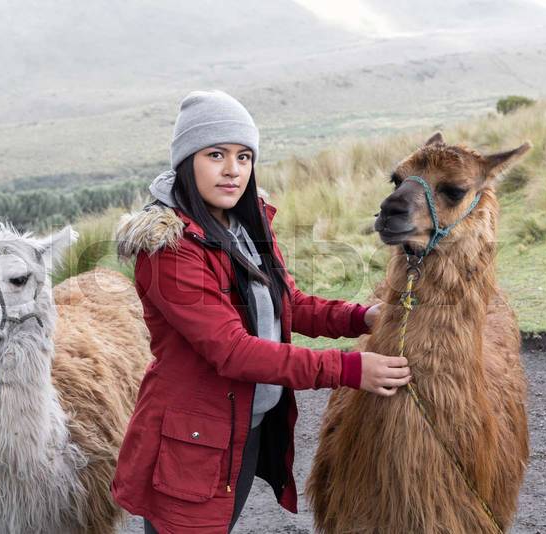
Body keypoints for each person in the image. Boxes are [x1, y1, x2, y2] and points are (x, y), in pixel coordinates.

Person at [111, 89, 410, 534]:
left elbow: (288, 304)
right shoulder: (171, 249)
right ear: (186, 160)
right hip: (190, 442)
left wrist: (360, 317)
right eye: (216, 154)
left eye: (244, 157)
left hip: (240, 428)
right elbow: (232, 351)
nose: (233, 170)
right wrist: (348, 369)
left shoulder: (242, 226)